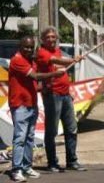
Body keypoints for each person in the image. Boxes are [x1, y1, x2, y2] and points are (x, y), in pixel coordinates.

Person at [8, 36, 65, 182]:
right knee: (20, 138)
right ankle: (17, 169)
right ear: (20, 46)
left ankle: (26, 167)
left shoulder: (30, 61)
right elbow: (35, 76)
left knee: (29, 138)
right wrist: (54, 74)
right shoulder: (17, 60)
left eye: (31, 47)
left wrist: (43, 87)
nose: (28, 50)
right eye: (26, 47)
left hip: (31, 104)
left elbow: (31, 83)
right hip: (19, 105)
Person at [36, 27, 86, 172]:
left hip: (65, 95)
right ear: (43, 40)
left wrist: (69, 92)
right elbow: (55, 60)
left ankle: (72, 161)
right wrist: (73, 60)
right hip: (52, 95)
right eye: (48, 37)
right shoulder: (42, 53)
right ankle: (52, 162)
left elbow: (60, 61)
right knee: (51, 131)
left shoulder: (57, 50)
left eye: (53, 37)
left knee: (71, 128)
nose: (51, 39)